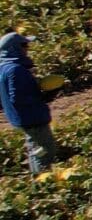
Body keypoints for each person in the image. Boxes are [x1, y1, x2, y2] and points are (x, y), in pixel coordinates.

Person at [0, 33, 68, 176]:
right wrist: (41, 93)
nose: (27, 48)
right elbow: (18, 98)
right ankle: (43, 179)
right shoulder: (15, 70)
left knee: (36, 148)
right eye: (24, 45)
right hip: (32, 118)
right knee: (44, 150)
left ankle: (37, 177)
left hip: (24, 118)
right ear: (14, 49)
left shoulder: (5, 67)